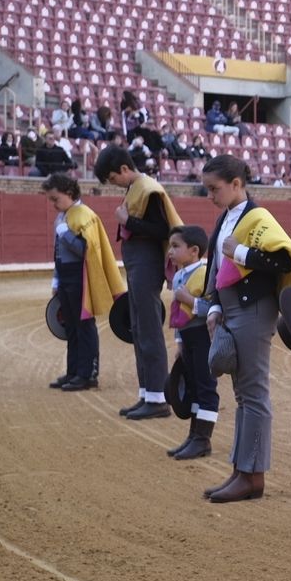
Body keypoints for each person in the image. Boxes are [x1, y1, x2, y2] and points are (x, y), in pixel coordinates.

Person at [199, 155, 291, 504]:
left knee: (252, 392)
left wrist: (244, 254)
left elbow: (285, 260)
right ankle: (241, 470)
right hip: (233, 307)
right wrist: (216, 306)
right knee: (242, 392)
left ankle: (253, 476)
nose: (210, 196)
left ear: (237, 184)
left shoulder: (258, 217)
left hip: (254, 308)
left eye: (214, 189)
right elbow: (217, 268)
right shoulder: (227, 217)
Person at [97, 145, 183, 421]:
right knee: (138, 327)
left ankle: (158, 397)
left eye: (113, 179)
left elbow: (163, 230)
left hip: (147, 265)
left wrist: (128, 221)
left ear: (124, 169)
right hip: (138, 265)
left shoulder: (148, 189)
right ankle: (148, 393)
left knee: (148, 329)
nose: (113, 184)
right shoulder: (138, 188)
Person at [44, 174, 123, 393]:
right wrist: (56, 279)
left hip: (82, 277)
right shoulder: (64, 216)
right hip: (67, 276)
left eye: (55, 199)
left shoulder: (84, 215)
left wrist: (66, 233)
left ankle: (87, 374)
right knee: (71, 325)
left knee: (84, 325)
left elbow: (85, 249)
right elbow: (57, 252)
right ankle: (73, 372)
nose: (53, 205)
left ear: (69, 194)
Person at [164, 225, 218, 460]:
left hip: (205, 337)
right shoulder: (178, 275)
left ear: (194, 250)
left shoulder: (207, 273)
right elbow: (177, 315)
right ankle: (194, 435)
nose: (170, 251)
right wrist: (179, 343)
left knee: (206, 386)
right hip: (188, 337)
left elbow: (215, 308)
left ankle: (203, 439)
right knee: (194, 385)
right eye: (170, 246)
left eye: (176, 246)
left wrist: (190, 300)